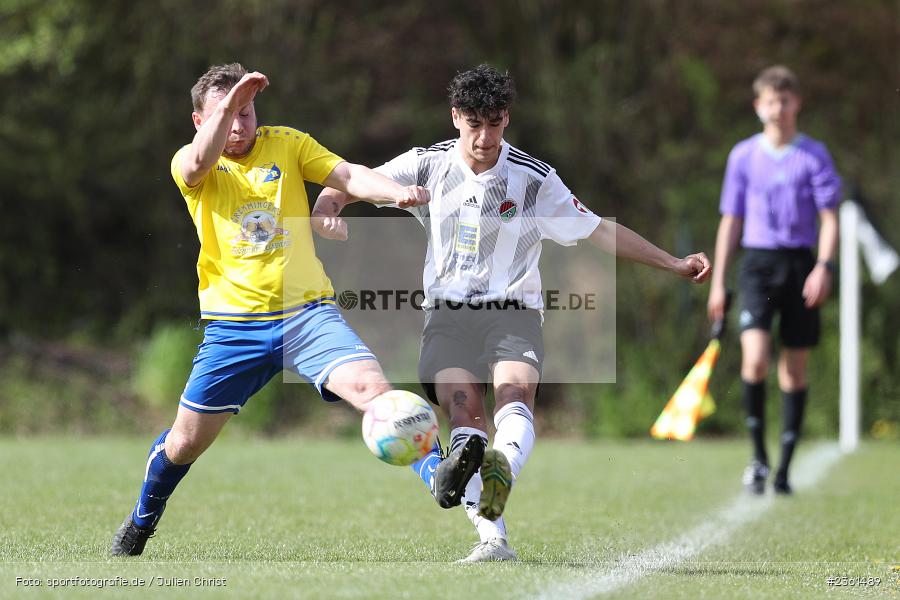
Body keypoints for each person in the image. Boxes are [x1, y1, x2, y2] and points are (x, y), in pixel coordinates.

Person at [312, 64, 711, 562]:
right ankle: (492, 538)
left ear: (507, 119)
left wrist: (672, 262)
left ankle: (499, 475)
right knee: (465, 417)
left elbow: (599, 230)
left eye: (495, 123)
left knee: (514, 394)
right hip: (447, 315)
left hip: (513, 312)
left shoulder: (533, 178)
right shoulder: (426, 165)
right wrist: (328, 207)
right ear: (455, 116)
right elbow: (349, 179)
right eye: (474, 123)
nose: (484, 136)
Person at [110, 63, 429, 556]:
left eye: (247, 111)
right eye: (226, 114)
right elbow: (197, 163)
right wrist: (231, 101)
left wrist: (395, 194)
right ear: (200, 121)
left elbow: (348, 175)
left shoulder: (288, 143)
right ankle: (140, 521)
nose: (240, 124)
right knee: (184, 445)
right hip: (232, 330)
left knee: (375, 391)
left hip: (308, 315)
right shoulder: (190, 162)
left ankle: (441, 473)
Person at [707, 65, 841, 496]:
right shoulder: (743, 156)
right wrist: (718, 282)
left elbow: (830, 217)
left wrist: (825, 266)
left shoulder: (814, 155)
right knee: (756, 359)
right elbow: (731, 220)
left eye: (785, 101)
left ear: (796, 104)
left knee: (795, 369)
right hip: (757, 264)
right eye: (770, 101)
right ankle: (759, 459)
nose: (778, 109)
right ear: (758, 107)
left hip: (801, 265)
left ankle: (784, 466)